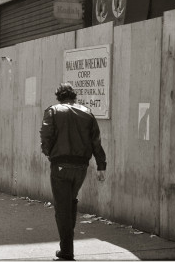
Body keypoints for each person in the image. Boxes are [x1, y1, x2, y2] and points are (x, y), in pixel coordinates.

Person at [39, 83, 107, 261]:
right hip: (81, 167)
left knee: (62, 208)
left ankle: (67, 251)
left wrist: (49, 154)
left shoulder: (53, 111)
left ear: (58, 97)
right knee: (70, 201)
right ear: (74, 96)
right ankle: (67, 246)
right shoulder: (87, 112)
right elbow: (96, 142)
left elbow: (45, 135)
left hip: (60, 165)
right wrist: (101, 166)